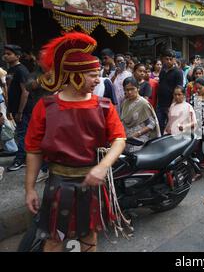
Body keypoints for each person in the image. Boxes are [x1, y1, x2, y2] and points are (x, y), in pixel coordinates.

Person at [24, 32, 127, 252]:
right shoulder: (46, 106)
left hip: (91, 184)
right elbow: (33, 150)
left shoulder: (104, 105)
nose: (98, 80)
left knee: (89, 237)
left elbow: (119, 139)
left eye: (97, 74)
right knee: (53, 239)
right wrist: (29, 188)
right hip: (58, 183)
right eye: (92, 75)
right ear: (73, 75)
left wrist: (102, 166)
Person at [4, 44, 32, 171]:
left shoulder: (21, 70)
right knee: (21, 133)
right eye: (5, 53)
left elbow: (25, 92)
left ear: (18, 56)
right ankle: (24, 157)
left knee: (22, 134)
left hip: (24, 110)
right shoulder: (10, 70)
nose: (6, 56)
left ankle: (20, 159)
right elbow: (10, 90)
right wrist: (10, 109)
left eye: (9, 54)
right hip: (15, 108)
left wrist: (20, 112)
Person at [121, 77, 160, 152]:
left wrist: (137, 134)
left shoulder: (143, 103)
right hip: (127, 139)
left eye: (132, 89)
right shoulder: (125, 103)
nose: (129, 92)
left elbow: (152, 124)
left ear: (138, 88)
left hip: (139, 141)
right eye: (127, 90)